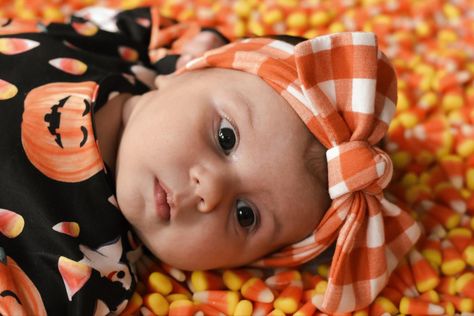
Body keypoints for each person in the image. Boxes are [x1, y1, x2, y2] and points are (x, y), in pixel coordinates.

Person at [0, 5, 420, 315]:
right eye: (225, 137)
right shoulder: (118, 52)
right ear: (188, 71)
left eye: (246, 215)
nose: (211, 191)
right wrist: (190, 48)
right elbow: (160, 29)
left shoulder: (91, 274)